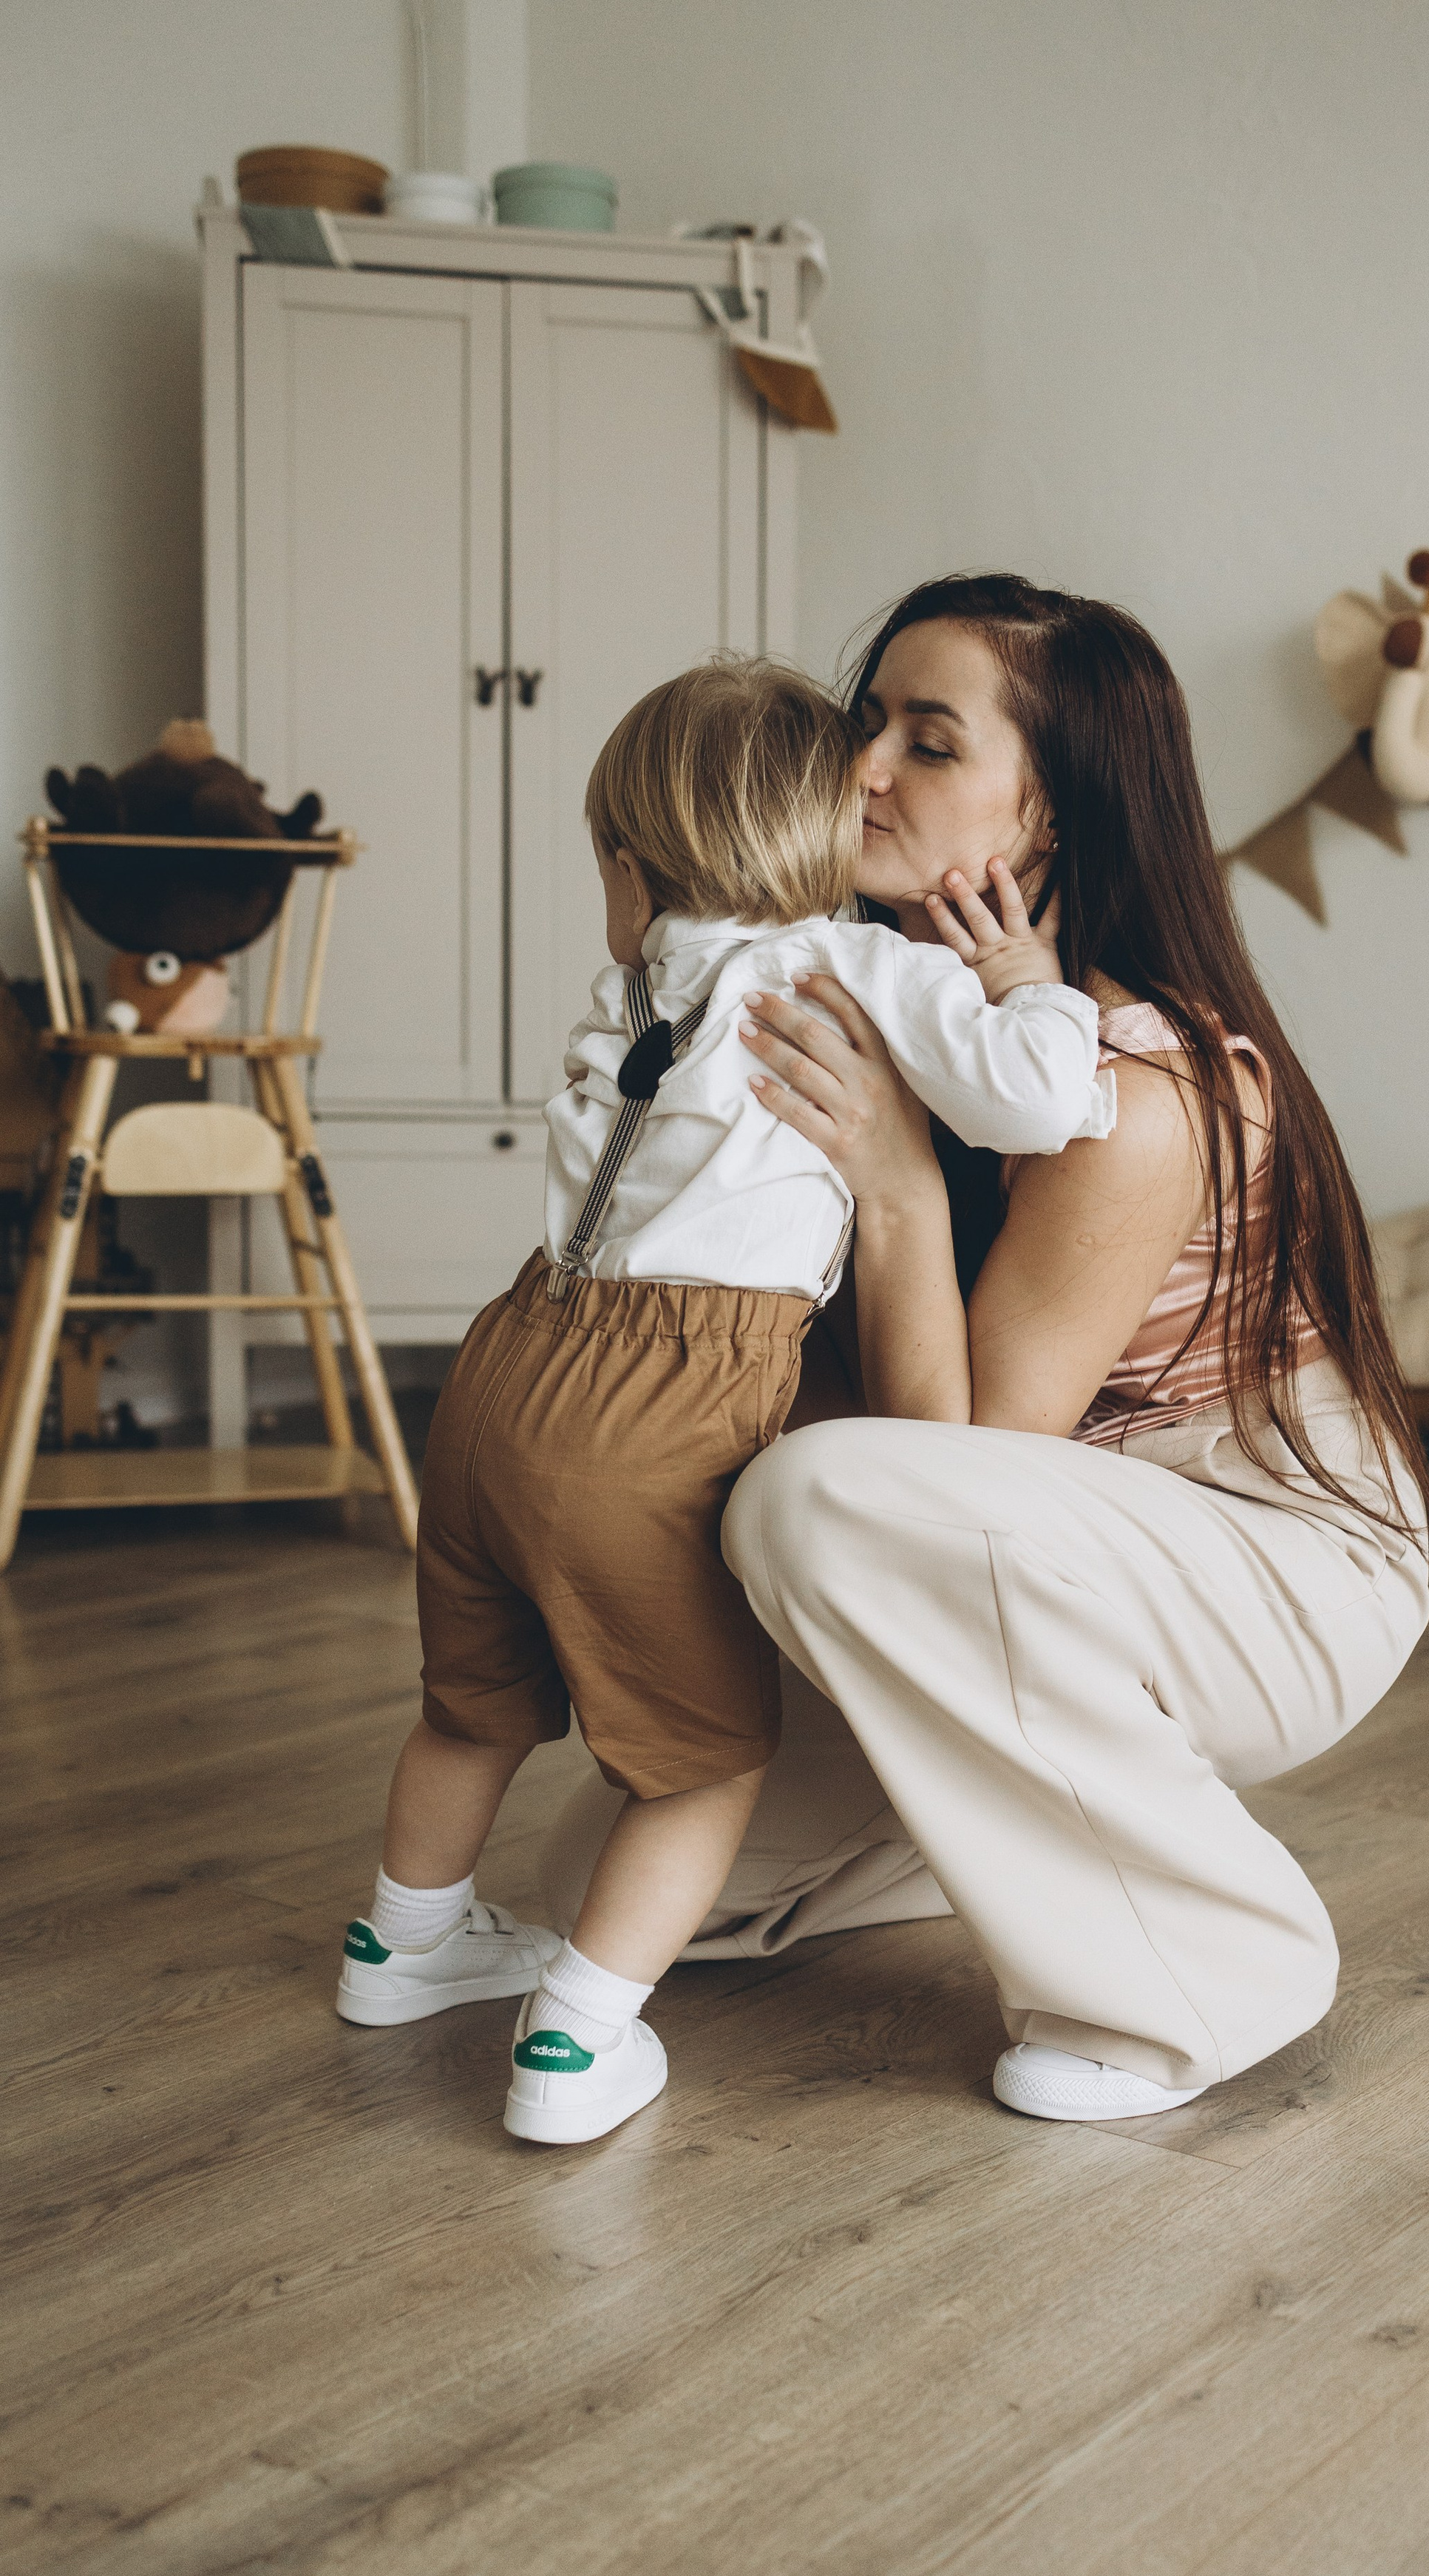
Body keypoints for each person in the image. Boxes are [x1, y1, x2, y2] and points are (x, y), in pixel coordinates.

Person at [333, 655, 1113, 2145]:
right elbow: (1040, 1098)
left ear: (638, 870)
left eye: (603, 864)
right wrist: (1027, 991)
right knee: (699, 1759)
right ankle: (573, 2043)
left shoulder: (644, 973)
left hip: (504, 1362)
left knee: (470, 1702)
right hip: (659, 1404)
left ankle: (400, 1947)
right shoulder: (860, 968)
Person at [719, 575, 1429, 2121]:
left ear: (1046, 825)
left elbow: (952, 1474)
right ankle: (1003, 1826)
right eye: (865, 723)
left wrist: (900, 1185)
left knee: (812, 1503)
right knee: (657, 1884)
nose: (860, 770)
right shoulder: (872, 1002)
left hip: (1269, 1552)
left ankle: (1215, 1970)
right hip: (1047, 1532)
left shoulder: (1136, 1086)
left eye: (927, 742)